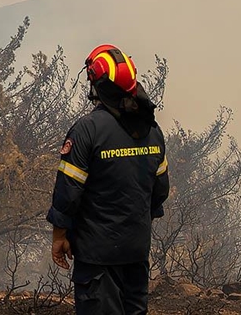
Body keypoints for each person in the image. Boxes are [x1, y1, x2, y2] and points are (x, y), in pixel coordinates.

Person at [47, 44, 169, 315]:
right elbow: (160, 191)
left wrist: (59, 236)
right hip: (136, 254)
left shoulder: (87, 130)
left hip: (98, 258)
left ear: (97, 84)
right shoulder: (153, 130)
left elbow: (68, 192)